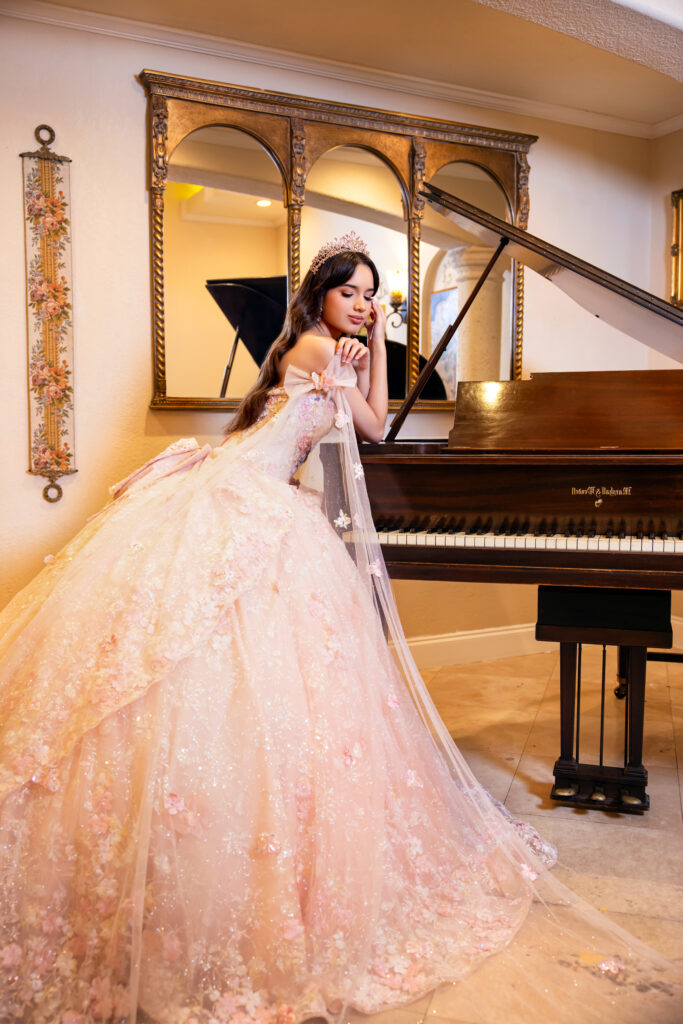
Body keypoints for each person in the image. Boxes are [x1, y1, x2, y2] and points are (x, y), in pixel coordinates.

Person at [0, 233, 680, 1024]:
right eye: (348, 291)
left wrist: (381, 343)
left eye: (370, 294)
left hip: (257, 488)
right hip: (248, 498)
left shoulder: (326, 348)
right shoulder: (317, 348)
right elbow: (363, 422)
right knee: (216, 656)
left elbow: (375, 424)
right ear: (319, 296)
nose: (360, 304)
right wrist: (362, 353)